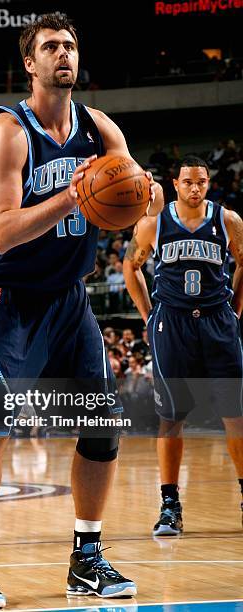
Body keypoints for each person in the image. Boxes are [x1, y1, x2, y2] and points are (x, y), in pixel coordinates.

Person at [0, 13, 164, 609]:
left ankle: (86, 559)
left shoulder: (100, 129)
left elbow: (145, 197)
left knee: (101, 427)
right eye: (51, 47)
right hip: (4, 300)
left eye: (70, 45)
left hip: (68, 297)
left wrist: (147, 197)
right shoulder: (8, 132)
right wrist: (75, 193)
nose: (64, 54)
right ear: (30, 62)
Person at [123, 155, 243, 535]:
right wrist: (148, 315)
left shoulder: (228, 221)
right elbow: (132, 266)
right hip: (171, 324)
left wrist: (235, 309)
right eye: (189, 181)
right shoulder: (153, 224)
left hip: (217, 322)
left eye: (202, 182)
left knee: (235, 416)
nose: (195, 188)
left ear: (209, 184)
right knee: (171, 417)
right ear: (175, 184)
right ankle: (169, 504)